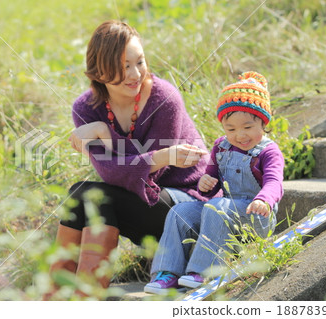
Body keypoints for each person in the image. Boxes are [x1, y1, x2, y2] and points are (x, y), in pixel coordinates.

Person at [48, 20, 209, 297]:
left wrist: (104, 135)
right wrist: (156, 155)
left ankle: (83, 298)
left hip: (186, 207)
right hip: (140, 205)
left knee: (91, 194)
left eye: (140, 62)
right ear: (100, 70)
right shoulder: (86, 109)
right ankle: (60, 298)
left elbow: (149, 179)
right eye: (124, 66)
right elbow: (111, 172)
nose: (135, 74)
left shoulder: (164, 98)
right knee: (82, 194)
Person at [144, 71, 284, 294]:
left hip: (256, 216)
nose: (239, 135)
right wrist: (206, 183)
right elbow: (211, 181)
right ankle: (168, 272)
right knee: (180, 211)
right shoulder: (221, 146)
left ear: (263, 123)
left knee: (217, 207)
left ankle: (204, 270)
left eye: (247, 127)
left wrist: (264, 200)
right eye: (231, 129)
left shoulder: (268, 152)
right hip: (223, 210)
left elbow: (274, 183)